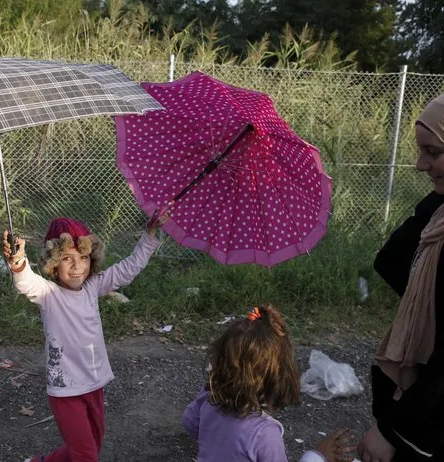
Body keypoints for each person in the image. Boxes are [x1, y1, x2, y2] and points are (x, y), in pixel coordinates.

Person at [3, 213, 168, 462]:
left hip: (94, 383)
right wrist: (17, 262)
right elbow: (26, 282)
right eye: (67, 259)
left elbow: (127, 269)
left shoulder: (93, 286)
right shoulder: (48, 294)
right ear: (53, 264)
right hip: (65, 390)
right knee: (86, 455)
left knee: (90, 445)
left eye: (83, 257)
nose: (77, 266)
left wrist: (150, 236)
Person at [358, 93, 444, 461]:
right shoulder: (438, 218)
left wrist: (394, 431)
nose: (419, 164)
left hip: (427, 424)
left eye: (433, 152)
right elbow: (390, 260)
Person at [182, 304, 356, 462]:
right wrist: (318, 456)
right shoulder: (264, 435)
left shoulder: (208, 400)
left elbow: (190, 422)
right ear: (278, 377)